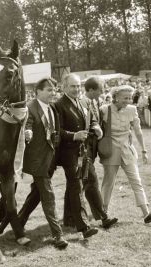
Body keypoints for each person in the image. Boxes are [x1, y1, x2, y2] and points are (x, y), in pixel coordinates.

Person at [19, 77, 68, 249]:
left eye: (54, 89)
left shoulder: (52, 107)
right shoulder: (30, 107)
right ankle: (58, 235)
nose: (52, 92)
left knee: (36, 195)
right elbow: (28, 125)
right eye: (48, 89)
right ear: (37, 91)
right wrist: (28, 132)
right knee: (48, 196)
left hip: (49, 159)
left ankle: (16, 223)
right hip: (37, 160)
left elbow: (55, 132)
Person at [54, 73, 99, 238]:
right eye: (73, 86)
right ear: (64, 87)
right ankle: (84, 227)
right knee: (76, 185)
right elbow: (56, 131)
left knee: (87, 181)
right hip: (67, 152)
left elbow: (91, 119)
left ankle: (73, 218)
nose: (76, 89)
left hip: (83, 150)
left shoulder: (84, 101)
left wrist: (96, 126)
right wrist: (74, 135)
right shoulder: (58, 105)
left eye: (78, 85)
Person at [100, 85, 151, 223]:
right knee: (108, 182)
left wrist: (144, 150)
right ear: (115, 96)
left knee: (136, 180)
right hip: (110, 150)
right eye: (125, 98)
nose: (128, 100)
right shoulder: (104, 110)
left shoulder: (132, 109)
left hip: (127, 149)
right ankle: (104, 211)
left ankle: (146, 213)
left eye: (130, 97)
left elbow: (138, 131)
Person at [76, 77, 118, 228]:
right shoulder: (82, 102)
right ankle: (103, 217)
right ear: (91, 90)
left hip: (92, 148)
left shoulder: (96, 102)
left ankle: (70, 216)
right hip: (83, 147)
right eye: (100, 89)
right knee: (90, 180)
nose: (102, 92)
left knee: (81, 182)